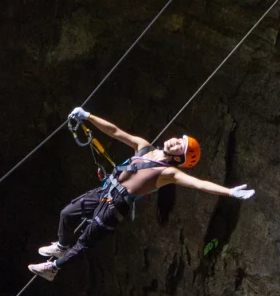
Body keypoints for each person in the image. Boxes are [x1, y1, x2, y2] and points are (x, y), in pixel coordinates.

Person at [28, 107, 255, 281]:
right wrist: (88, 116)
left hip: (116, 205)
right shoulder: (144, 147)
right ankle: (61, 246)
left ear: (179, 159)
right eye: (179, 139)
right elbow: (115, 132)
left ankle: (53, 269)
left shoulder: (168, 173)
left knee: (86, 239)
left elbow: (198, 184)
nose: (175, 141)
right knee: (67, 213)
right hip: (106, 190)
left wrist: (229, 192)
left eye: (180, 147)